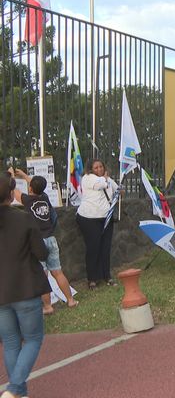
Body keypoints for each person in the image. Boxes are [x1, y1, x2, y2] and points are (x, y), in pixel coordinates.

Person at [0, 173, 51, 398]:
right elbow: (41, 252)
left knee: (11, 342)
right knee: (33, 339)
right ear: (11, 194)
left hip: (1, 292)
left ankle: (19, 392)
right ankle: (14, 389)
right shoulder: (23, 218)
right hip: (25, 286)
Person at [9, 169, 78, 314]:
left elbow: (13, 190)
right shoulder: (45, 198)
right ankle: (70, 300)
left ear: (30, 189)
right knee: (58, 272)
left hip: (37, 242)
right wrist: (24, 175)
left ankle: (47, 306)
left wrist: (12, 175)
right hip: (51, 239)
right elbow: (35, 185)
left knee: (42, 275)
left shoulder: (27, 200)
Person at [76, 159, 119, 290]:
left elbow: (117, 189)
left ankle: (106, 276)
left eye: (101, 166)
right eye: (96, 167)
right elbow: (100, 185)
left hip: (106, 218)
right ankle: (92, 279)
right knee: (93, 248)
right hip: (89, 218)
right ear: (90, 169)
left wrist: (119, 190)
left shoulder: (108, 179)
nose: (99, 169)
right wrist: (106, 180)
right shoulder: (87, 178)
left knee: (105, 248)